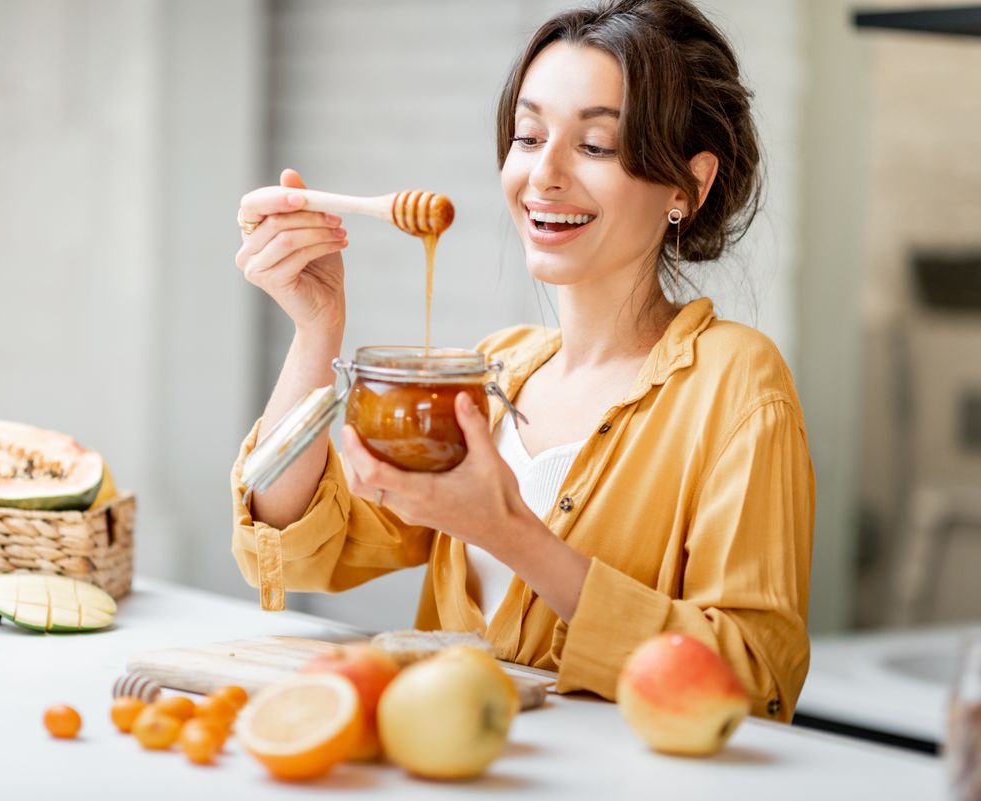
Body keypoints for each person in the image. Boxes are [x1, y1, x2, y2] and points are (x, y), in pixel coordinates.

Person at [229, 0, 814, 722]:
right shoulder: (491, 369)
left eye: (595, 146)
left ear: (685, 188)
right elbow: (296, 546)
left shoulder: (737, 385)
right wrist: (317, 331)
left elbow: (753, 678)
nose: (545, 175)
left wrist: (509, 531)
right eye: (529, 136)